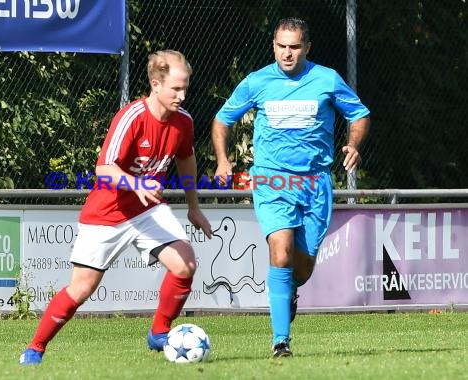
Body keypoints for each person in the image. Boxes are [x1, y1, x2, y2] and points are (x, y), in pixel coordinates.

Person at [20, 50, 212, 365]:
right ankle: (35, 348)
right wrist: (137, 184)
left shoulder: (183, 122)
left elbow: (186, 159)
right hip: (107, 213)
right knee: (81, 289)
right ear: (155, 84)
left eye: (185, 88)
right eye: (176, 88)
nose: (182, 95)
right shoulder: (131, 117)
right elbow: (104, 170)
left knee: (185, 265)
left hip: (148, 210)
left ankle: (159, 333)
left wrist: (194, 208)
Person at [212, 18, 370, 358]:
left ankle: (290, 293)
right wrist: (223, 161)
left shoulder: (326, 79)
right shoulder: (257, 82)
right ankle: (280, 341)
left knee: (301, 268)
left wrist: (354, 144)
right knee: (280, 251)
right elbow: (222, 119)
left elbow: (359, 115)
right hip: (272, 181)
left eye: (294, 47)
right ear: (273, 45)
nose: (287, 53)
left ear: (307, 48)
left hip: (315, 183)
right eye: (282, 46)